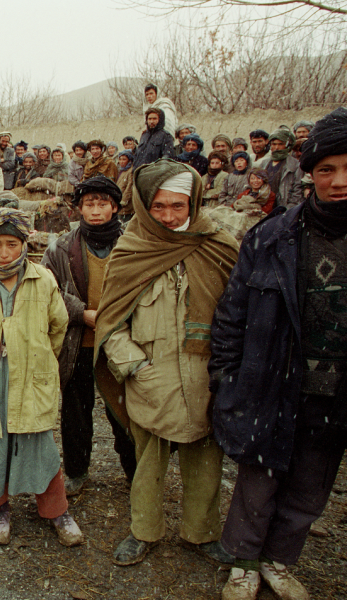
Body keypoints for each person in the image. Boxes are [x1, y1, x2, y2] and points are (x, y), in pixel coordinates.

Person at [211, 108, 347, 600]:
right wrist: (225, 376)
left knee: (311, 480)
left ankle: (280, 560)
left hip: (343, 390)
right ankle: (243, 561)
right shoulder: (271, 237)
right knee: (258, 477)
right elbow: (232, 313)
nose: (340, 181)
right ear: (310, 175)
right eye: (326, 170)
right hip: (274, 381)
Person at [93, 159, 239, 567]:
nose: (170, 216)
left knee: (206, 462)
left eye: (180, 206)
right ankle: (144, 530)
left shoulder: (219, 246)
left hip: (204, 378)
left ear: (194, 203)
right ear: (142, 205)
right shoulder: (131, 251)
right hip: (150, 378)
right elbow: (111, 322)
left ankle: (202, 532)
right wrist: (135, 366)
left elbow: (239, 314)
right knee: (148, 463)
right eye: (159, 206)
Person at [0, 207, 83, 548]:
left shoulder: (43, 279)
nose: (4, 253)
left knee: (40, 444)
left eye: (12, 243)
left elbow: (58, 326)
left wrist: (35, 358)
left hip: (30, 375)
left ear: (24, 244)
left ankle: (56, 510)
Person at [41, 176, 137, 496]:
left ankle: (134, 472)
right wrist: (82, 313)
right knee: (75, 411)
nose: (96, 211)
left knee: (124, 410)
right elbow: (46, 290)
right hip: (78, 342)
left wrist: (116, 318)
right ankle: (77, 472)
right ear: (79, 208)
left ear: (115, 207)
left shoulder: (133, 244)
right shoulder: (61, 247)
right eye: (89, 204)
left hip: (121, 342)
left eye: (102, 203)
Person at [254, 127, 302, 208]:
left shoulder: (295, 165)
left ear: (287, 145)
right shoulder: (264, 163)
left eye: (280, 144)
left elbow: (297, 191)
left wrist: (288, 211)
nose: (276, 148)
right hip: (264, 206)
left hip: (283, 207)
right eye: (274, 144)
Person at [116, 151, 136, 217]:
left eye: (124, 159)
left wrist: (124, 201)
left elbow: (130, 187)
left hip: (126, 205)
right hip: (119, 202)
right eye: (120, 159)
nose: (121, 161)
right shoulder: (122, 170)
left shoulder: (130, 171)